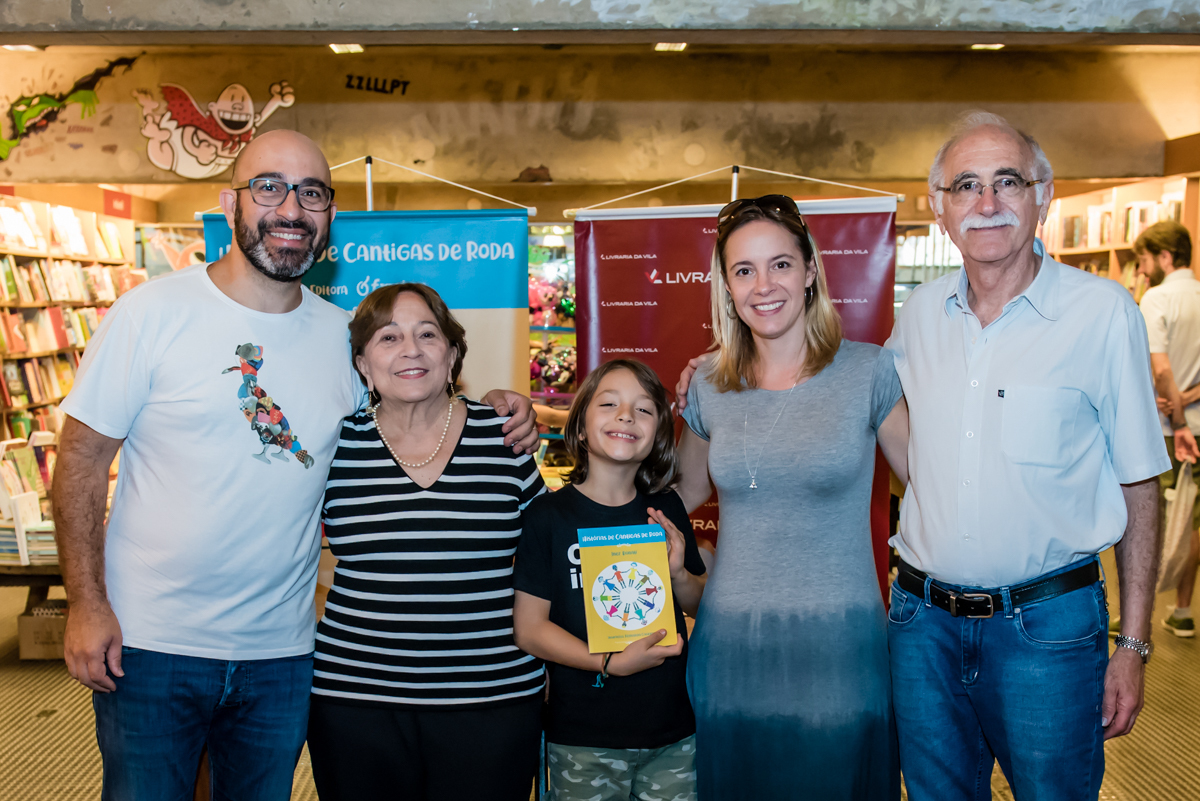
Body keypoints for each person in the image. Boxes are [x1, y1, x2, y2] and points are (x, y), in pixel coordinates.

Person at [52, 130, 539, 800]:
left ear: (328, 217)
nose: (291, 207)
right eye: (269, 186)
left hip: (281, 655)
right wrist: (86, 602)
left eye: (311, 192)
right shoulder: (149, 314)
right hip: (151, 644)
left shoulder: (343, 339)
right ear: (231, 202)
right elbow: (79, 461)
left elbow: (415, 394)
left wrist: (504, 406)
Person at [882, 111, 1167, 800]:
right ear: (939, 207)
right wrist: (717, 373)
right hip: (921, 627)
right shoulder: (918, 315)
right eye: (966, 186)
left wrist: (1132, 645)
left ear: (1044, 194)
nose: (986, 204)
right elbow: (855, 401)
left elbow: (1140, 483)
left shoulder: (1102, 313)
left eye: (1007, 181)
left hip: (1047, 631)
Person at [673, 195, 910, 800]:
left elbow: (935, 488)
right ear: (726, 287)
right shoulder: (707, 383)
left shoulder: (870, 371)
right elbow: (682, 490)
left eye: (780, 264)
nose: (763, 285)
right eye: (743, 270)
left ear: (810, 272)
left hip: (840, 652)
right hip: (730, 648)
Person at [306, 282, 546, 801]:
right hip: (355, 702)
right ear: (363, 365)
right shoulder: (334, 444)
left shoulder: (505, 437)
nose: (410, 350)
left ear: (453, 353)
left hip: (493, 700)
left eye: (427, 334)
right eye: (388, 337)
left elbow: (544, 562)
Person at [512, 359, 708, 801]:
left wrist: (678, 573)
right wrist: (607, 662)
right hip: (582, 735)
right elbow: (528, 628)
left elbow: (698, 603)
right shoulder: (547, 516)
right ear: (580, 426)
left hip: (672, 731)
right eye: (609, 404)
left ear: (658, 433)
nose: (626, 415)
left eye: (643, 409)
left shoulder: (666, 510)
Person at [1134, 221, 1200, 636]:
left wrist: (1176, 413)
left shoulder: (1157, 299)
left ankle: (1136, 621)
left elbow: (1160, 370)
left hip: (1167, 430)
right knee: (1192, 521)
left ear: (1164, 256)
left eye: (1143, 261)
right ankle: (1183, 609)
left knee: (1150, 524)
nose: (1141, 271)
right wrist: (1190, 396)